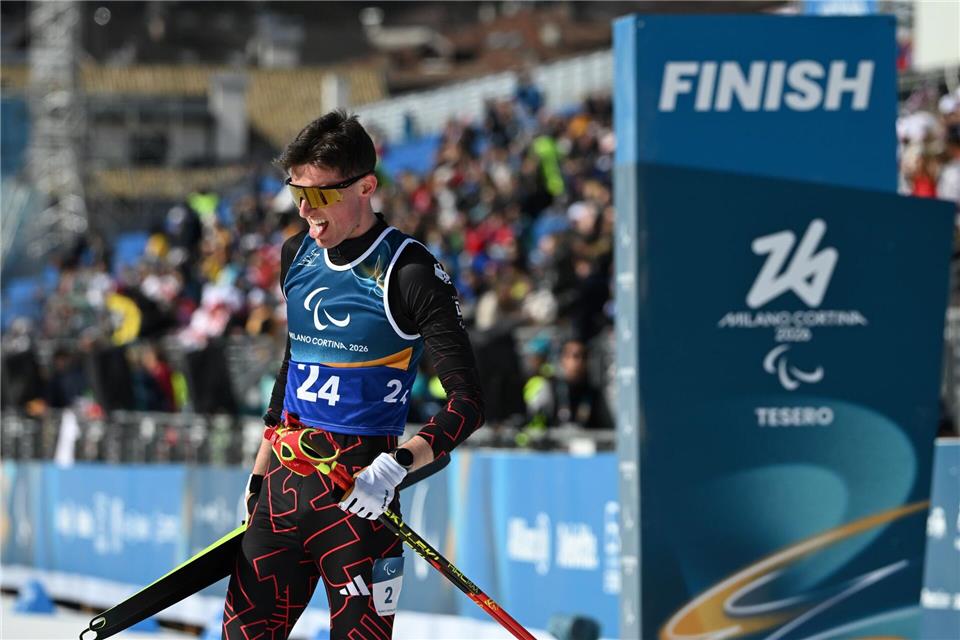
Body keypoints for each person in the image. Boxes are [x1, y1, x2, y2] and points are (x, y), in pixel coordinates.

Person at [221, 110, 485, 640]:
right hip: (284, 492)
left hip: (360, 501)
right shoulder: (296, 253)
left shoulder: (409, 271)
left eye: (318, 196)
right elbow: (293, 367)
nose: (303, 210)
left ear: (366, 186)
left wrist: (396, 468)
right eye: (296, 192)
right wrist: (257, 474)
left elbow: (468, 402)